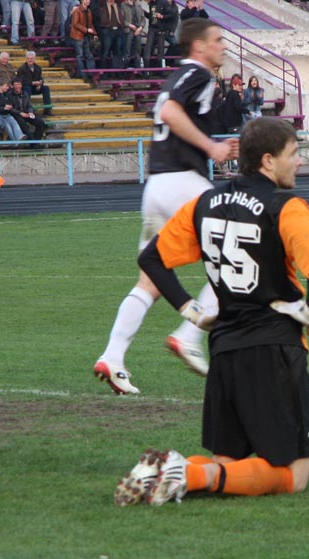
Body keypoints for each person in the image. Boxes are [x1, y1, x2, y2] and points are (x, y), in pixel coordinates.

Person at [114, 117, 309, 506]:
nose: (299, 161)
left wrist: (190, 309)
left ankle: (164, 471)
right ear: (268, 161)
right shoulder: (285, 205)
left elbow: (151, 259)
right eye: (294, 153)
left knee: (227, 462)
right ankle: (188, 473)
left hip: (225, 347)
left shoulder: (205, 202)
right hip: (274, 349)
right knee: (294, 476)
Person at [93, 18, 238, 395]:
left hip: (157, 185)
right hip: (184, 184)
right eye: (218, 40)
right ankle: (189, 334)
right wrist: (211, 147)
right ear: (199, 46)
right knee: (236, 255)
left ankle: (112, 357)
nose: (224, 45)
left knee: (151, 280)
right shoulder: (198, 74)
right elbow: (172, 113)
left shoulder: (179, 76)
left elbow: (171, 112)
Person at [9, 77, 46, 147]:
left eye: (19, 84)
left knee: (40, 123)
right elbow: (11, 109)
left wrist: (30, 112)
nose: (17, 86)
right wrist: (20, 113)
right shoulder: (9, 95)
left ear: (21, 85)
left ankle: (36, 141)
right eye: (16, 84)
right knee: (23, 125)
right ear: (12, 86)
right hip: (17, 114)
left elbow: (29, 105)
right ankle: (34, 144)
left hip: (27, 113)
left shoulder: (25, 93)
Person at [16, 51, 53, 115]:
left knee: (46, 88)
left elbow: (40, 78)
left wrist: (40, 83)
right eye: (28, 58)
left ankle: (47, 110)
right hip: (26, 87)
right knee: (27, 88)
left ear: (34, 59)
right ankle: (28, 109)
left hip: (35, 87)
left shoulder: (38, 68)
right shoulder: (22, 69)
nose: (30, 60)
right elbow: (22, 81)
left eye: (31, 58)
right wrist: (32, 83)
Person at [70, 0, 97, 77]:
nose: (88, 1)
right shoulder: (77, 11)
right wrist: (86, 30)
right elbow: (75, 24)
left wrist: (94, 33)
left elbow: (90, 24)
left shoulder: (88, 11)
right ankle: (82, 74)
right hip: (78, 36)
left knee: (89, 55)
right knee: (80, 56)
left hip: (86, 36)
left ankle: (91, 74)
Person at [143, 0, 170, 69]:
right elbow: (151, 16)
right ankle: (146, 70)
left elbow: (170, 15)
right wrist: (144, 13)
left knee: (160, 50)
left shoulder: (164, 2)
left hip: (161, 29)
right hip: (152, 28)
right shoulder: (151, 3)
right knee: (148, 48)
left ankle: (160, 70)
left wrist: (162, 16)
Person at [98, 0, 124, 69]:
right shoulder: (103, 5)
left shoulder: (117, 5)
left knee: (117, 51)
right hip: (108, 30)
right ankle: (104, 70)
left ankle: (117, 70)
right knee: (106, 52)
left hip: (118, 30)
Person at [121, 0, 145, 68]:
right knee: (127, 51)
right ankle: (125, 68)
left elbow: (143, 19)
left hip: (138, 29)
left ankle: (138, 69)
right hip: (128, 30)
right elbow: (121, 19)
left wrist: (141, 27)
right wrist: (129, 25)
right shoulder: (123, 5)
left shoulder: (138, 4)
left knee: (138, 51)